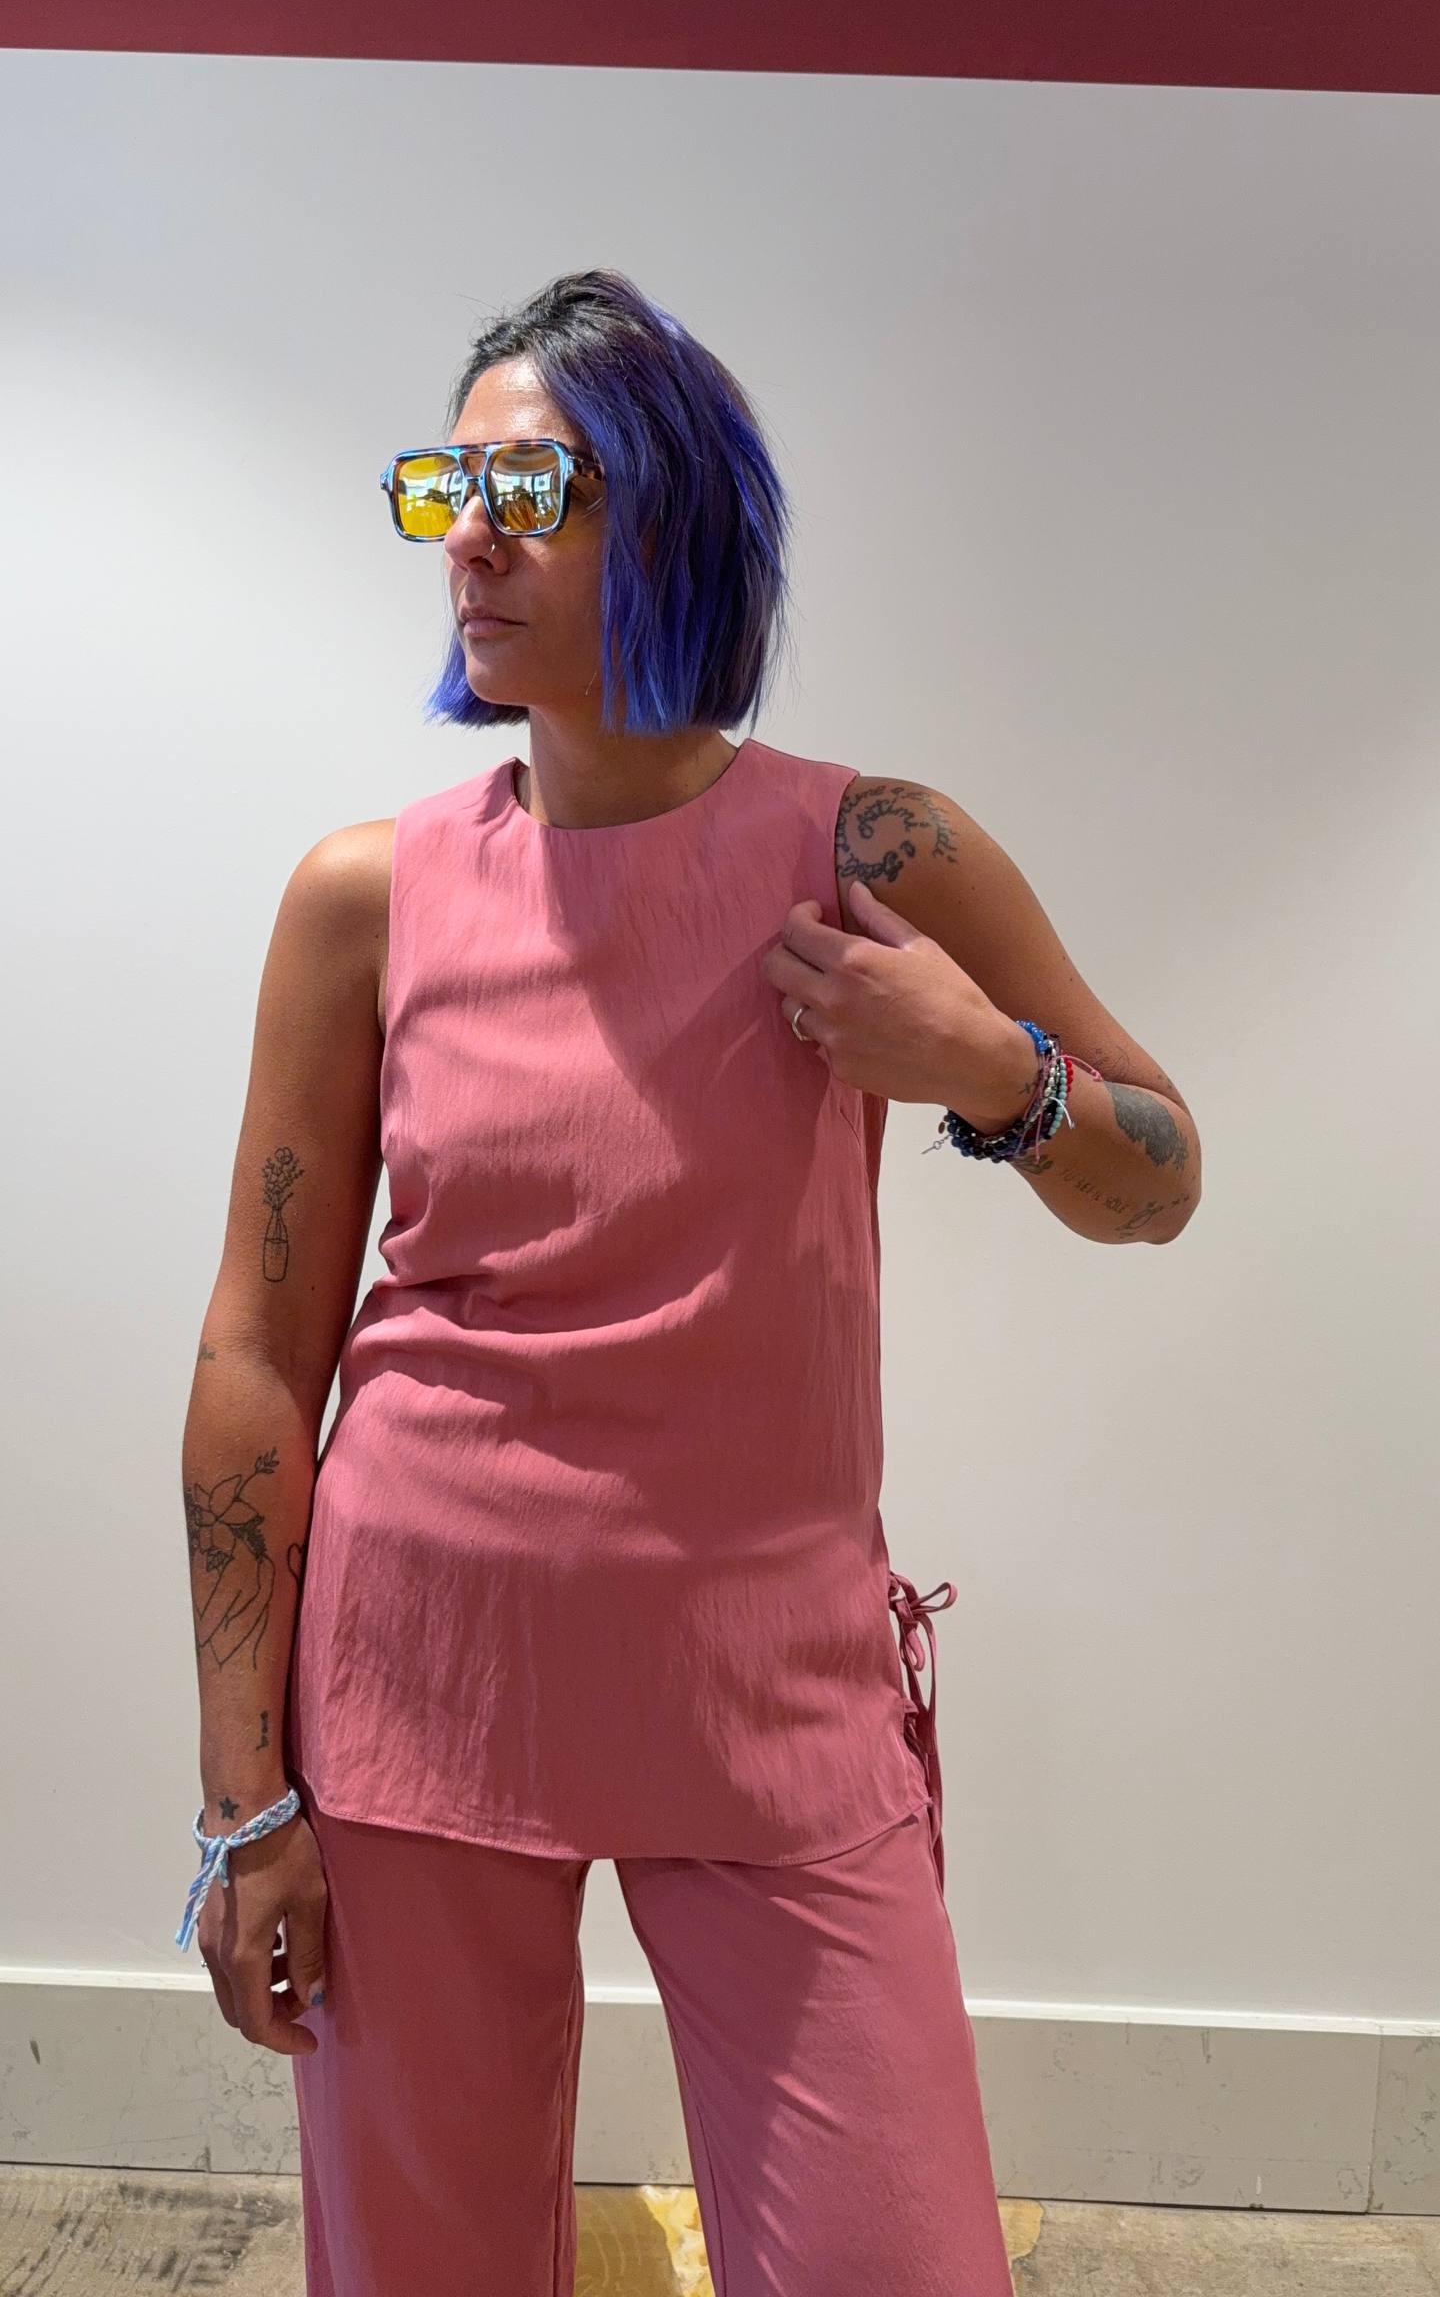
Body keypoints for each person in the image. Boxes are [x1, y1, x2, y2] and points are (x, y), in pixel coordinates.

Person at [176, 267, 1200, 2296]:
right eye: (445, 487)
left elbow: (1156, 1176)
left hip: (765, 1685)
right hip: (421, 1678)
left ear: (678, 515)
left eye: (529, 487)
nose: (468, 539)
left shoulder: (872, 853)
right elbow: (257, 1359)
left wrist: (985, 1070)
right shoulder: (367, 900)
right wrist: (241, 1799)